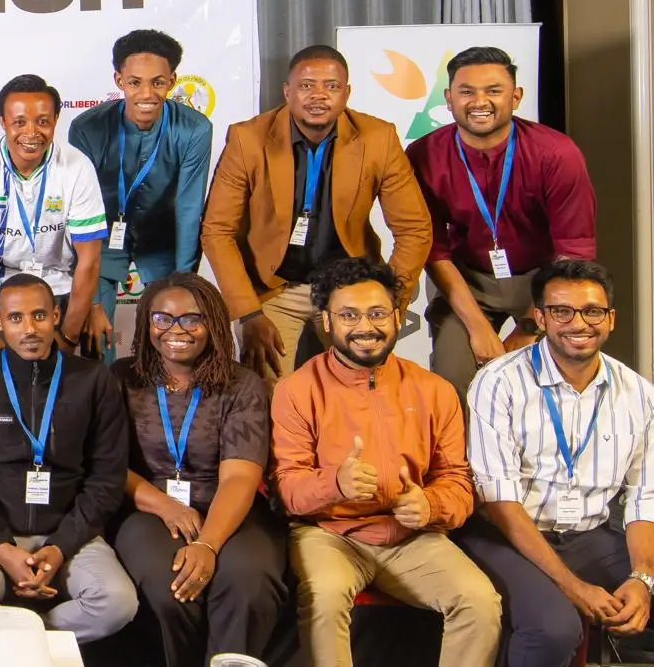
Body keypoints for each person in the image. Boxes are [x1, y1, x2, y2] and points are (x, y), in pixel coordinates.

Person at [272, 257, 500, 667]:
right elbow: (287, 489)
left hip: (411, 536)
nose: (365, 327)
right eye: (348, 315)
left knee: (479, 601)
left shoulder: (435, 390)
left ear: (397, 317)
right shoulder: (295, 390)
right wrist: (334, 484)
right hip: (328, 534)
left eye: (377, 313)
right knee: (324, 596)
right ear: (326, 321)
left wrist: (431, 505)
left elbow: (457, 480)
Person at [459, 259, 654, 667]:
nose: (578, 323)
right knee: (554, 629)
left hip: (591, 534)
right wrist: (573, 587)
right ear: (540, 318)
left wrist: (642, 579)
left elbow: (643, 498)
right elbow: (501, 504)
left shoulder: (638, 393)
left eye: (592, 311)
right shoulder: (498, 383)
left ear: (611, 319)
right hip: (506, 535)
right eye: (561, 311)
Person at [202, 45, 432, 379]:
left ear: (347, 93)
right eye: (307, 85)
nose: (319, 95)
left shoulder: (379, 139)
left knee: (360, 388)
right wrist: (248, 312)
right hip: (273, 287)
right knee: (266, 392)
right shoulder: (247, 139)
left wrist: (388, 300)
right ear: (287, 91)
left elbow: (414, 229)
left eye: (332, 86)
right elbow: (217, 230)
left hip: (348, 286)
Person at [0, 273, 137, 644]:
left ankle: (23, 642)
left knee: (116, 603)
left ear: (56, 315)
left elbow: (107, 477)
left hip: (69, 533)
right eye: (16, 318)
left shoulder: (94, 379)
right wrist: (1, 548)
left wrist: (60, 546)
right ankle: (29, 646)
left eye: (39, 315)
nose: (29, 328)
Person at [111, 273, 287, 667]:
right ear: (146, 323)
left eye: (192, 319)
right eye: (163, 319)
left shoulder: (243, 384)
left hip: (229, 505)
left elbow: (241, 476)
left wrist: (208, 544)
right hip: (147, 505)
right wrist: (164, 506)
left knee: (248, 580)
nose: (177, 330)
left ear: (213, 324)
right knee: (169, 580)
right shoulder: (121, 378)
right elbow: (108, 465)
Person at [406, 46, 597, 398]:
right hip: (467, 279)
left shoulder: (556, 153)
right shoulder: (422, 155)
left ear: (516, 96)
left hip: (546, 277)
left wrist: (526, 328)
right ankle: (465, 455)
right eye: (467, 92)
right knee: (453, 378)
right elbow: (432, 248)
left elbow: (574, 250)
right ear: (449, 99)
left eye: (493, 91)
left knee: (556, 377)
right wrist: (477, 327)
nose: (480, 101)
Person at [69, 30, 214, 364]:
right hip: (101, 239)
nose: (146, 93)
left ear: (173, 81)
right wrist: (89, 301)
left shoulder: (195, 129)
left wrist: (186, 283)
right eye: (134, 82)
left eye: (158, 82)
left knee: (170, 339)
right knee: (96, 341)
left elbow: (190, 208)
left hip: (161, 240)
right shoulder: (87, 128)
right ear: (119, 80)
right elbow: (79, 211)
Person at [0, 75, 108, 357]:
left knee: (61, 389)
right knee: (1, 392)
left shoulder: (77, 166)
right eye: (19, 122)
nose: (31, 133)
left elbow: (89, 260)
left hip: (59, 292)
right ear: (2, 121)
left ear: (56, 119)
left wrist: (68, 334)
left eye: (43, 121)